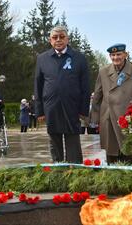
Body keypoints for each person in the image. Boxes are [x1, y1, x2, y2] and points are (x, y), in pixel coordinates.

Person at [34, 26, 90, 163]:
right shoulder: (42, 59)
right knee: (54, 141)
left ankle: (75, 171)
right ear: (50, 40)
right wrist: (39, 110)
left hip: (72, 107)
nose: (58, 40)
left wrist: (83, 110)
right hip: (51, 107)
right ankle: (57, 171)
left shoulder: (79, 58)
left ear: (67, 39)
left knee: (73, 142)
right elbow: (38, 85)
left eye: (61, 37)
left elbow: (85, 87)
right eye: (55, 37)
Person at [91, 43, 132, 165]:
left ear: (125, 55)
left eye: (118, 54)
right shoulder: (103, 72)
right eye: (112, 55)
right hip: (109, 117)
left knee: (127, 154)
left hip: (128, 119)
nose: (115, 57)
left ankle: (128, 183)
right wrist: (95, 118)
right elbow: (97, 96)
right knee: (111, 155)